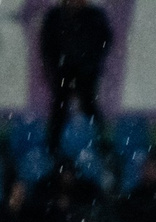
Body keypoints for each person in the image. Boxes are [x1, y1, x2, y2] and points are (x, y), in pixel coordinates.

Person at [40, 0, 113, 142]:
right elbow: (47, 45)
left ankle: (101, 143)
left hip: (86, 72)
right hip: (63, 71)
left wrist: (89, 64)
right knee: (60, 108)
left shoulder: (94, 16)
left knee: (89, 105)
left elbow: (104, 41)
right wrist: (56, 67)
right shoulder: (55, 16)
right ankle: (53, 146)